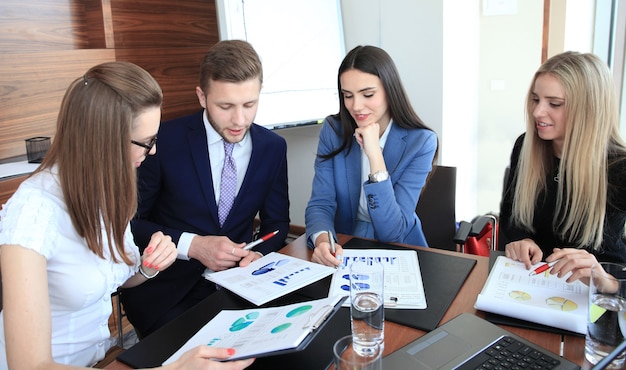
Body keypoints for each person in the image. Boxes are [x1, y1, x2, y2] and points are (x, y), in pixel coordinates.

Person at [0, 62, 254, 369]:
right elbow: (29, 366)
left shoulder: (105, 192)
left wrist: (148, 266)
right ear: (103, 140)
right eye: (146, 143)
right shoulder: (33, 212)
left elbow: (116, 277)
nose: (154, 152)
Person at [120, 40, 290, 337]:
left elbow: (276, 224)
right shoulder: (161, 141)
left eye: (249, 104)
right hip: (166, 294)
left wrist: (259, 254)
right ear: (202, 96)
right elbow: (130, 224)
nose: (240, 120)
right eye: (226, 106)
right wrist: (193, 245)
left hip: (237, 287)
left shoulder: (273, 148)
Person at [305, 45, 438, 267]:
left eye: (368, 94)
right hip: (344, 244)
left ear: (389, 90)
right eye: (348, 96)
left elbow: (392, 233)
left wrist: (374, 154)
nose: (356, 106)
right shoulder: (333, 130)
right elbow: (321, 203)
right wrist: (322, 241)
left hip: (401, 251)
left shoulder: (421, 142)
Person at [500, 51, 626, 284]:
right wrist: (522, 240)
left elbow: (617, 272)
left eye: (554, 104)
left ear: (588, 110)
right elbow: (511, 218)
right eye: (536, 99)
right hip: (531, 284)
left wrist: (606, 281)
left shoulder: (619, 169)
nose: (537, 112)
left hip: (592, 302)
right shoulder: (526, 146)